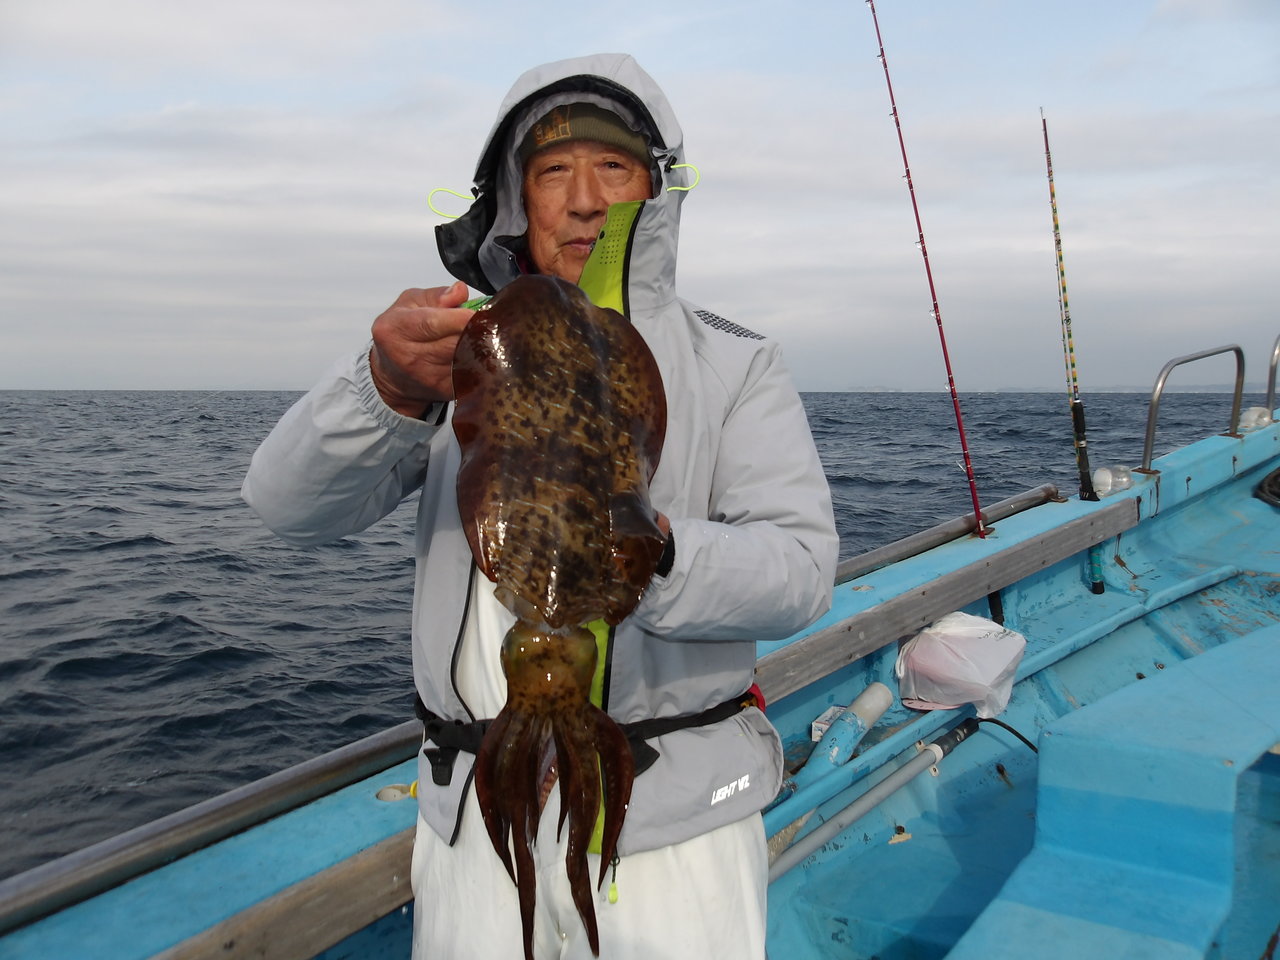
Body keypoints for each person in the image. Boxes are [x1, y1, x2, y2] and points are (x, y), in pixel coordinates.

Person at [242, 54, 838, 960]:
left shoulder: (734, 362)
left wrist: (658, 553)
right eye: (555, 170)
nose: (587, 200)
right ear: (518, 199)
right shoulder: (468, 351)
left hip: (672, 831)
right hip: (476, 819)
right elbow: (287, 506)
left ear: (656, 188)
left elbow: (800, 573)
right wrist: (387, 390)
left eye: (615, 167)